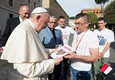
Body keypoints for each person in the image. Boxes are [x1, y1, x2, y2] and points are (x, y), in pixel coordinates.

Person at [1, 7, 63, 80]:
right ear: (38, 18)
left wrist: (51, 51)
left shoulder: (30, 28)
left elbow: (34, 51)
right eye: (45, 23)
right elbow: (27, 69)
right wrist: (52, 63)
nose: (45, 26)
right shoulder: (24, 31)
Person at [64, 13, 99, 80]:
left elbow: (94, 57)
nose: (76, 26)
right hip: (72, 67)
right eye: (75, 23)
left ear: (86, 24)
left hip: (84, 71)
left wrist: (76, 56)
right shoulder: (74, 34)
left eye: (79, 23)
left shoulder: (92, 36)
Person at [39, 16, 63, 80]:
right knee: (49, 74)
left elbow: (61, 42)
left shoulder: (59, 31)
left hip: (58, 55)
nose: (53, 24)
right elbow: (40, 45)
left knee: (57, 73)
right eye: (51, 22)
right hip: (48, 56)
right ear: (47, 23)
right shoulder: (42, 32)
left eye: (54, 22)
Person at [55, 16, 76, 80]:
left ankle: (65, 76)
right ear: (58, 22)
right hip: (59, 51)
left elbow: (76, 34)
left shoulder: (69, 29)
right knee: (58, 66)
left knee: (66, 65)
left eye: (64, 21)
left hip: (66, 51)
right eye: (61, 22)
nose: (63, 23)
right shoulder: (56, 29)